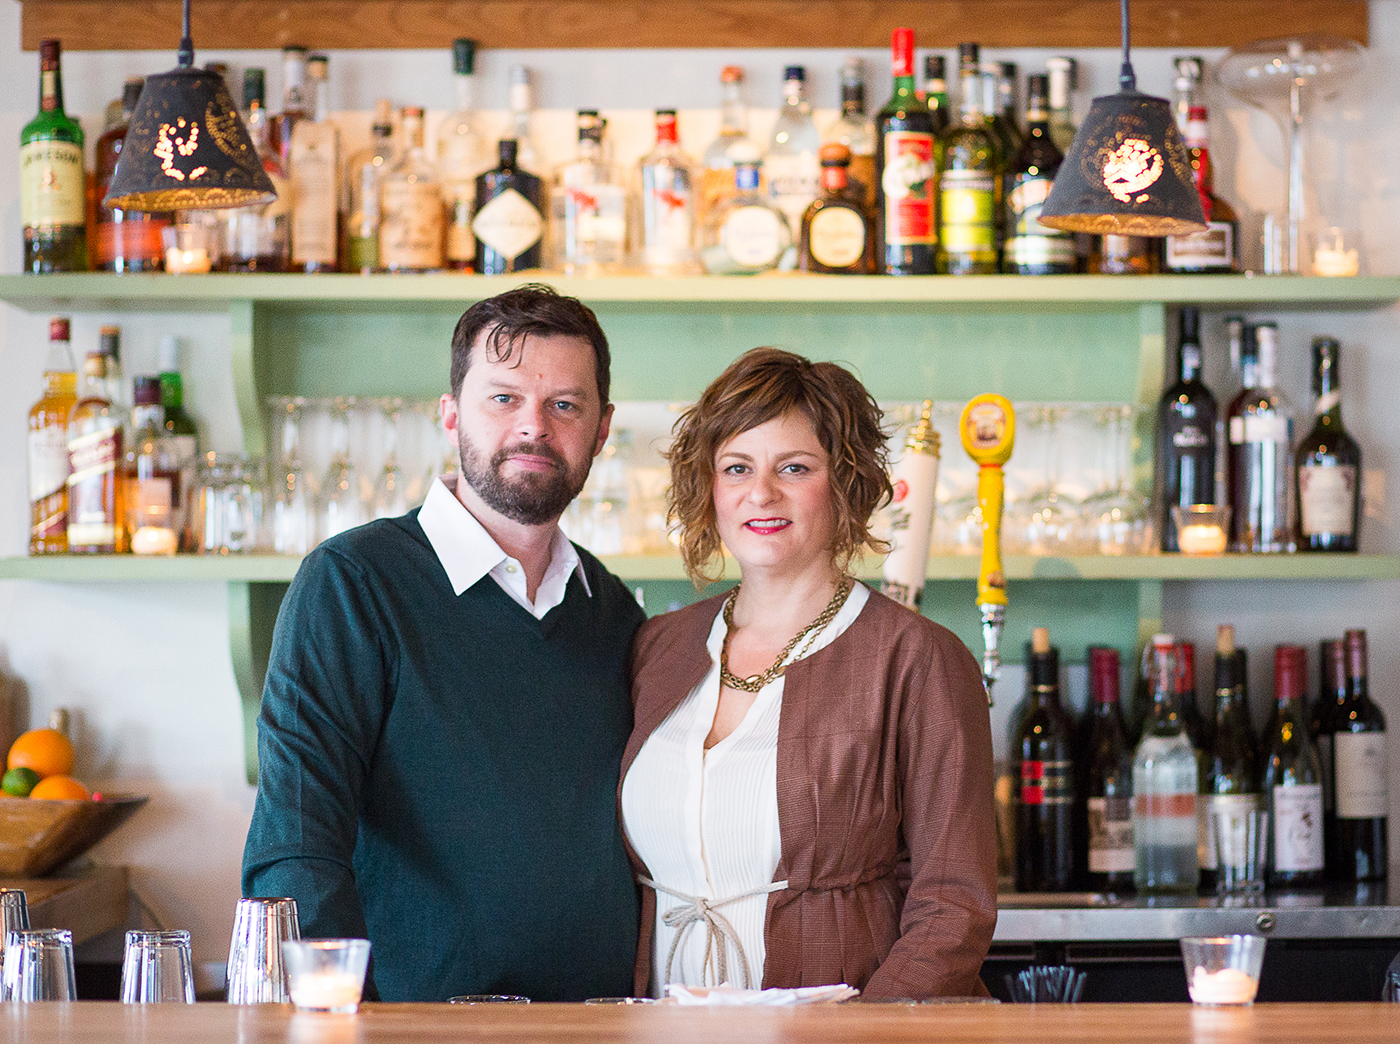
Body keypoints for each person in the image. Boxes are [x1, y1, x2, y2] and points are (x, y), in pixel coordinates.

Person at [243, 285, 644, 1002]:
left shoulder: (611, 609)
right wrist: (335, 1016)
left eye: (565, 404)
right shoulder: (353, 584)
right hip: (412, 1026)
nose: (534, 427)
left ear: (603, 427)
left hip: (598, 1024)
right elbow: (296, 847)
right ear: (451, 413)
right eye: (504, 399)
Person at [620, 348, 996, 1000]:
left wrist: (864, 1036)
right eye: (737, 467)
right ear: (708, 487)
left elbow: (954, 906)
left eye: (794, 468)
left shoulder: (916, 658)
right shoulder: (660, 646)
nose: (761, 493)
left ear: (846, 485)